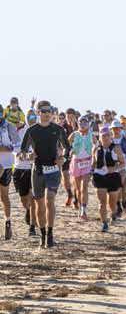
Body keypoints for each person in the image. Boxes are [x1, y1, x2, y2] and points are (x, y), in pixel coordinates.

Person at [20, 100, 69, 248]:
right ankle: (42, 235)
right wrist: (28, 156)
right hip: (38, 170)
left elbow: (68, 148)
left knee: (50, 199)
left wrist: (63, 158)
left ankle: (50, 234)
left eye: (49, 111)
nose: (47, 114)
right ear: (38, 112)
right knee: (40, 204)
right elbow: (22, 152)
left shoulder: (58, 129)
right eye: (44, 111)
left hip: (53, 170)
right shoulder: (31, 130)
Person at [92, 126, 124, 232]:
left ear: (111, 136)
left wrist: (114, 168)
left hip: (113, 177)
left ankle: (113, 214)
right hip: (99, 176)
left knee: (112, 202)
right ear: (100, 137)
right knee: (102, 202)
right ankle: (104, 223)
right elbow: (93, 163)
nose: (105, 137)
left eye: (107, 135)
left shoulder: (116, 148)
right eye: (103, 136)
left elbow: (123, 163)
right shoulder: (96, 149)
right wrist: (91, 171)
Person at [13, 109, 38, 236]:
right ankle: (28, 210)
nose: (31, 118)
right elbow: (14, 147)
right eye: (29, 116)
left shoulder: (40, 130)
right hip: (19, 168)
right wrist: (21, 154)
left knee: (32, 197)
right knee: (24, 199)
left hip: (34, 168)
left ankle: (32, 227)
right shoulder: (19, 130)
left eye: (33, 116)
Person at [69, 115, 94, 220]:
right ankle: (80, 207)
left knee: (84, 187)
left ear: (88, 124)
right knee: (78, 189)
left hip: (87, 162)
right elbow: (65, 144)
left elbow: (97, 146)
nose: (82, 125)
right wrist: (69, 151)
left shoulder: (91, 135)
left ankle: (84, 210)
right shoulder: (74, 134)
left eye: (85, 122)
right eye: (80, 122)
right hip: (76, 163)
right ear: (78, 124)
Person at [0, 105, 19, 240]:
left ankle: (8, 222)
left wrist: (8, 148)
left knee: (4, 196)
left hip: (6, 165)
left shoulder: (9, 126)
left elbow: (18, 144)